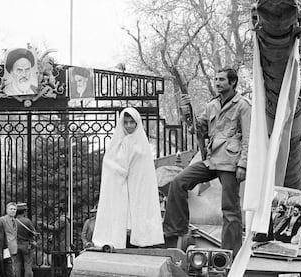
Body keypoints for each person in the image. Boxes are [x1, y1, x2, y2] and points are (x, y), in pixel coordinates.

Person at [163, 67, 251, 255]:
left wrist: (243, 164)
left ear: (233, 82)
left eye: (221, 79)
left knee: (230, 208)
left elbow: (249, 137)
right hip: (211, 160)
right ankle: (176, 231)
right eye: (216, 79)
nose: (217, 83)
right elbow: (198, 128)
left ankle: (231, 252)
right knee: (179, 182)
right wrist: (187, 112)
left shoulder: (243, 105)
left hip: (230, 162)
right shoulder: (212, 105)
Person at [92, 107, 164, 249]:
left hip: (139, 185)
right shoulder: (117, 141)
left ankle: (143, 238)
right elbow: (110, 162)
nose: (129, 125)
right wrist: (119, 171)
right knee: (120, 212)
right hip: (120, 184)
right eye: (126, 122)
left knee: (140, 209)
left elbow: (145, 169)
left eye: (132, 122)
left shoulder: (143, 144)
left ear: (138, 123)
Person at [16, 203, 37, 277]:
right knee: (27, 264)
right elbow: (33, 232)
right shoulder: (27, 221)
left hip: (16, 244)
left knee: (17, 264)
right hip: (26, 245)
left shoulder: (13, 221)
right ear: (24, 211)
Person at [0, 202, 18, 275]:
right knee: (6, 267)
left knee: (12, 267)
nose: (13, 211)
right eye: (11, 209)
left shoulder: (15, 221)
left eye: (14, 209)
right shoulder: (1, 220)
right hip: (5, 248)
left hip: (13, 248)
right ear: (7, 210)